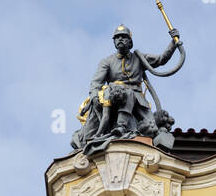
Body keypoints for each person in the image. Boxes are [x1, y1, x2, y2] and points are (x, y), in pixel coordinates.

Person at [72, 23, 184, 156]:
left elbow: (161, 59)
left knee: (152, 129)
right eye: (117, 37)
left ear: (130, 42)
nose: (120, 39)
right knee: (93, 127)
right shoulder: (107, 61)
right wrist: (95, 97)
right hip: (115, 96)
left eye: (124, 37)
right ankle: (119, 128)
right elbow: (96, 83)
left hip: (138, 99)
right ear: (114, 42)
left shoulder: (139, 57)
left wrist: (173, 43)